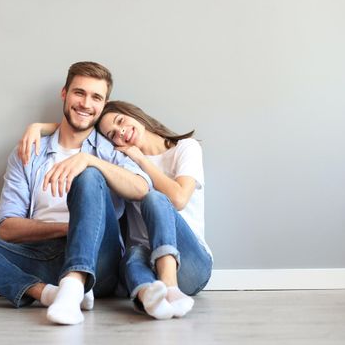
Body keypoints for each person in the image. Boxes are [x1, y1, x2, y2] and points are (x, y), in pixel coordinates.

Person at [0, 62, 152, 325]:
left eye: (96, 97)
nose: (86, 103)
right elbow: (8, 228)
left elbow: (141, 188)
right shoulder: (28, 152)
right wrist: (72, 227)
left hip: (99, 262)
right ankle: (45, 293)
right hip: (40, 258)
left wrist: (89, 162)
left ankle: (75, 283)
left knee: (89, 175)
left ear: (104, 104)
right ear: (64, 93)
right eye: (79, 93)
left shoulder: (111, 151)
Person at [19, 100, 213, 320]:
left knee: (154, 199)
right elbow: (80, 129)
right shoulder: (121, 162)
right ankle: (149, 298)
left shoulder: (184, 148)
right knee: (130, 256)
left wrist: (141, 159)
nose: (121, 132)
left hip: (191, 263)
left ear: (134, 113)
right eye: (112, 135)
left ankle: (171, 288)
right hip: (148, 266)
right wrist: (38, 127)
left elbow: (178, 198)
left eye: (121, 121)